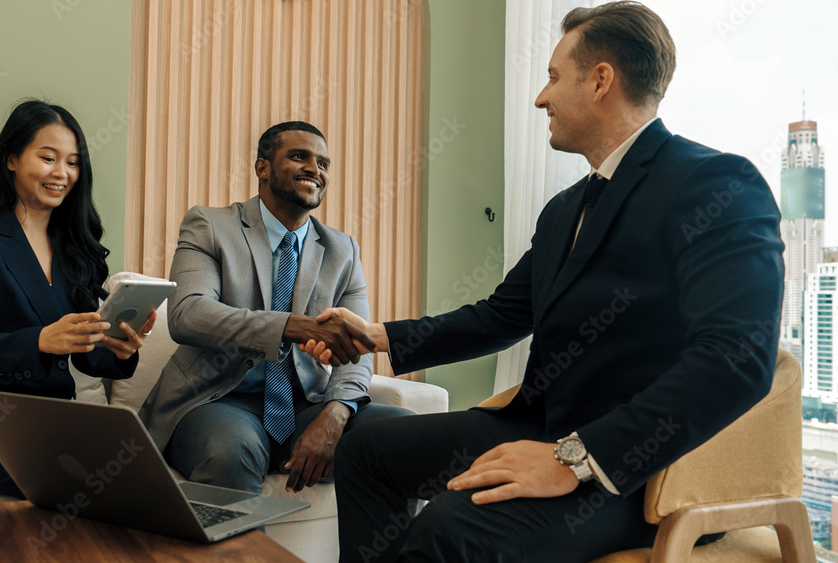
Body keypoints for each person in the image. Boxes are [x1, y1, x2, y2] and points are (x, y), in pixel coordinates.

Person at [303, 2, 785, 560]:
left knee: (451, 527)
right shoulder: (563, 209)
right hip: (540, 425)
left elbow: (737, 357)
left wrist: (574, 457)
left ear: (601, 79)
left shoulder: (716, 184)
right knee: (366, 447)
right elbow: (502, 314)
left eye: (554, 77)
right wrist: (375, 334)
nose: (541, 97)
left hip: (638, 471)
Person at [138, 121, 413, 495]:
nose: (315, 169)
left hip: (306, 408)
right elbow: (189, 314)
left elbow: (358, 349)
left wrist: (336, 412)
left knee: (404, 435)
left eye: (324, 163)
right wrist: (293, 327)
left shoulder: (342, 250)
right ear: (262, 167)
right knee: (230, 452)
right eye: (299, 157)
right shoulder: (211, 225)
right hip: (218, 400)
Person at [0, 100, 156, 498]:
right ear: (11, 159)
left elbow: (86, 354)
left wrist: (119, 350)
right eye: (47, 158)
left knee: (137, 471)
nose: (61, 173)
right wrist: (38, 341)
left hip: (48, 422)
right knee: (89, 482)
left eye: (73, 163)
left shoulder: (74, 248)